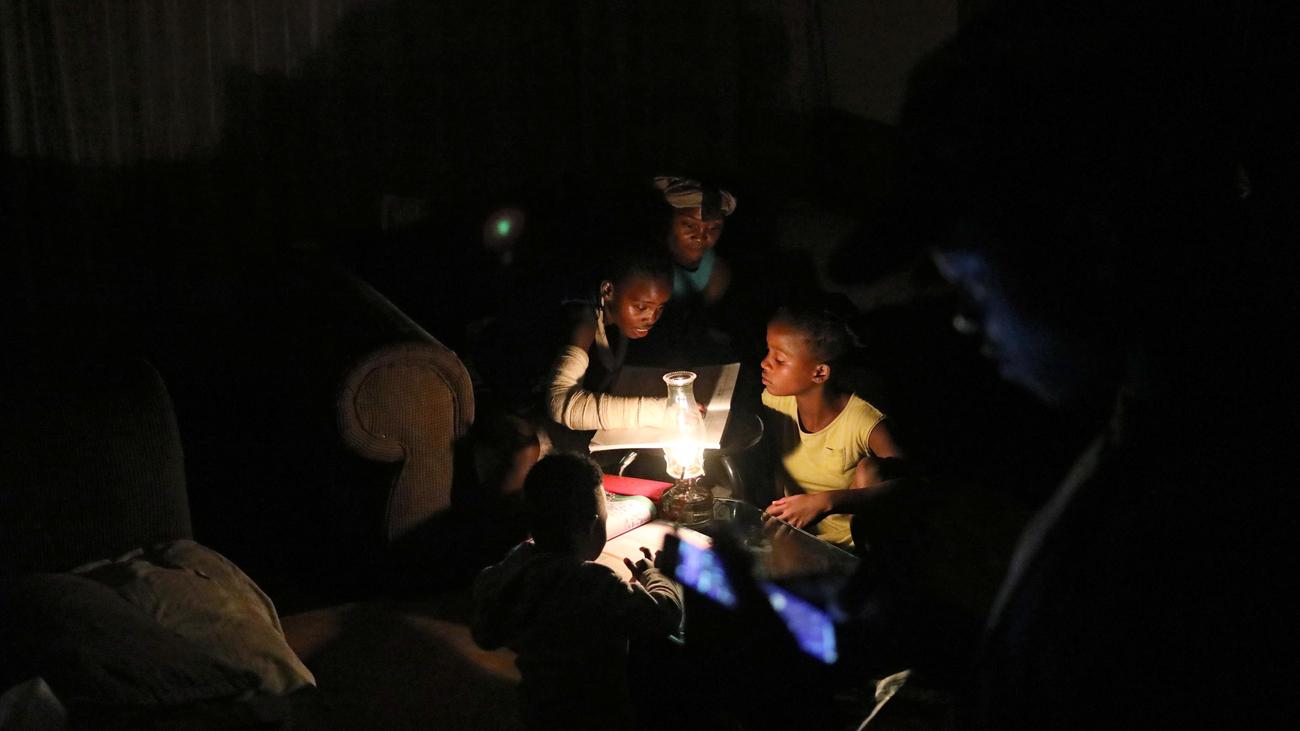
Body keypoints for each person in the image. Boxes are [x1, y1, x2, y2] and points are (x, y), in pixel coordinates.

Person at [471, 453, 684, 731]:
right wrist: (658, 575)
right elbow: (665, 615)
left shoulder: (511, 573)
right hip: (597, 717)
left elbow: (485, 633)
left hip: (538, 711)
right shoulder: (594, 584)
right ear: (592, 526)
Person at [758, 302, 905, 549]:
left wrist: (826, 502)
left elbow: (907, 485)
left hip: (852, 546)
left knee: (871, 469)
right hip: (798, 536)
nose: (765, 363)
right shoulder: (776, 401)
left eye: (779, 359)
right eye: (767, 351)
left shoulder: (864, 422)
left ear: (820, 372)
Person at [543, 247, 676, 443]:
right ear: (608, 290)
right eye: (641, 307)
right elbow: (560, 404)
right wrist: (661, 411)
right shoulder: (583, 320)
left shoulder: (618, 317)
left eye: (660, 307)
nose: (652, 318)